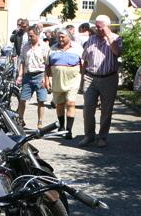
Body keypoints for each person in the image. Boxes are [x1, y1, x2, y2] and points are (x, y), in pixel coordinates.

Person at [78, 15, 122, 148]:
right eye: (95, 26)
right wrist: (82, 79)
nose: (96, 29)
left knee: (106, 110)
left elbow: (117, 53)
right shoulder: (91, 39)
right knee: (88, 109)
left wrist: (109, 36)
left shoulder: (116, 39)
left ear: (107, 27)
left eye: (99, 27)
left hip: (109, 78)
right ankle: (89, 136)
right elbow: (84, 61)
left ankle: (102, 137)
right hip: (90, 77)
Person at [47, 29, 82, 139]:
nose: (60, 39)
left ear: (69, 37)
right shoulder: (52, 49)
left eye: (63, 37)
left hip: (73, 80)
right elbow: (47, 65)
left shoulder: (77, 48)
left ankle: (69, 130)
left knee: (70, 103)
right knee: (60, 104)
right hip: (58, 80)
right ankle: (61, 127)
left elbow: (83, 63)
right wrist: (47, 79)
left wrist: (84, 78)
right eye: (59, 37)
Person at [16, 26, 51, 129]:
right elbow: (22, 61)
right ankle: (20, 120)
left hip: (40, 75)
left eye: (31, 36)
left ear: (37, 35)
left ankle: (40, 122)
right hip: (28, 76)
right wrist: (20, 75)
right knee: (22, 99)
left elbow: (47, 64)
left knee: (41, 100)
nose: (30, 38)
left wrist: (47, 79)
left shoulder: (44, 47)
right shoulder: (25, 46)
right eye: (28, 36)